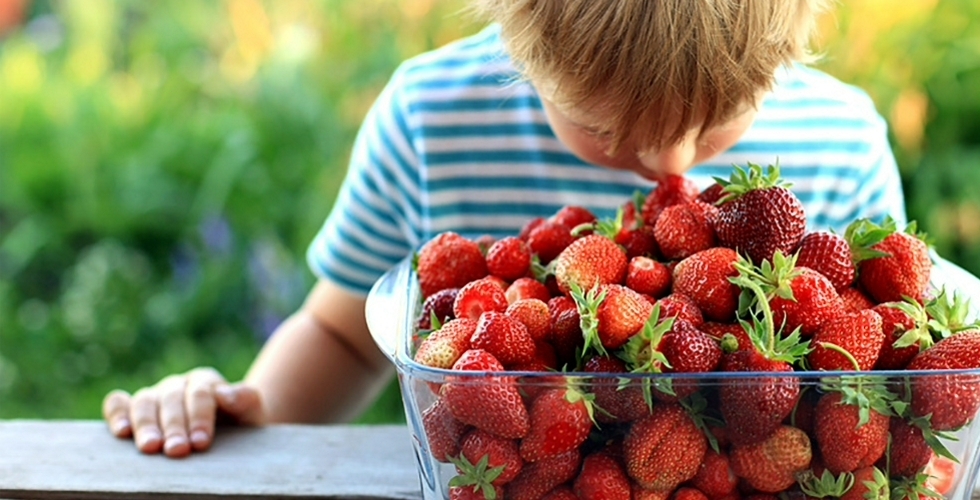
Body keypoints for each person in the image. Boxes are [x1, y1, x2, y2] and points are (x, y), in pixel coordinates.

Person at [103, 0, 911, 458]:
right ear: (521, 45)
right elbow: (345, 335)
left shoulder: (842, 142)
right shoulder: (430, 121)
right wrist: (255, 410)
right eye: (602, 124)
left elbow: (886, 374)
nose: (669, 164)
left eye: (722, 120)